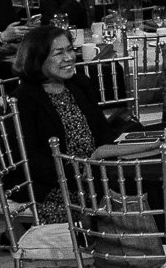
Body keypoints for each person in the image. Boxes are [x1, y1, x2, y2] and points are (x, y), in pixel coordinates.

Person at [12, 26, 127, 215]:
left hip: (97, 173)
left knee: (148, 181)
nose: (69, 57)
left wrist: (108, 161)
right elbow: (30, 159)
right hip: (56, 184)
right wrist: (80, 174)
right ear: (37, 59)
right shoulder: (24, 99)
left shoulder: (80, 84)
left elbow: (103, 131)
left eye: (70, 49)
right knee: (129, 195)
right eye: (59, 53)